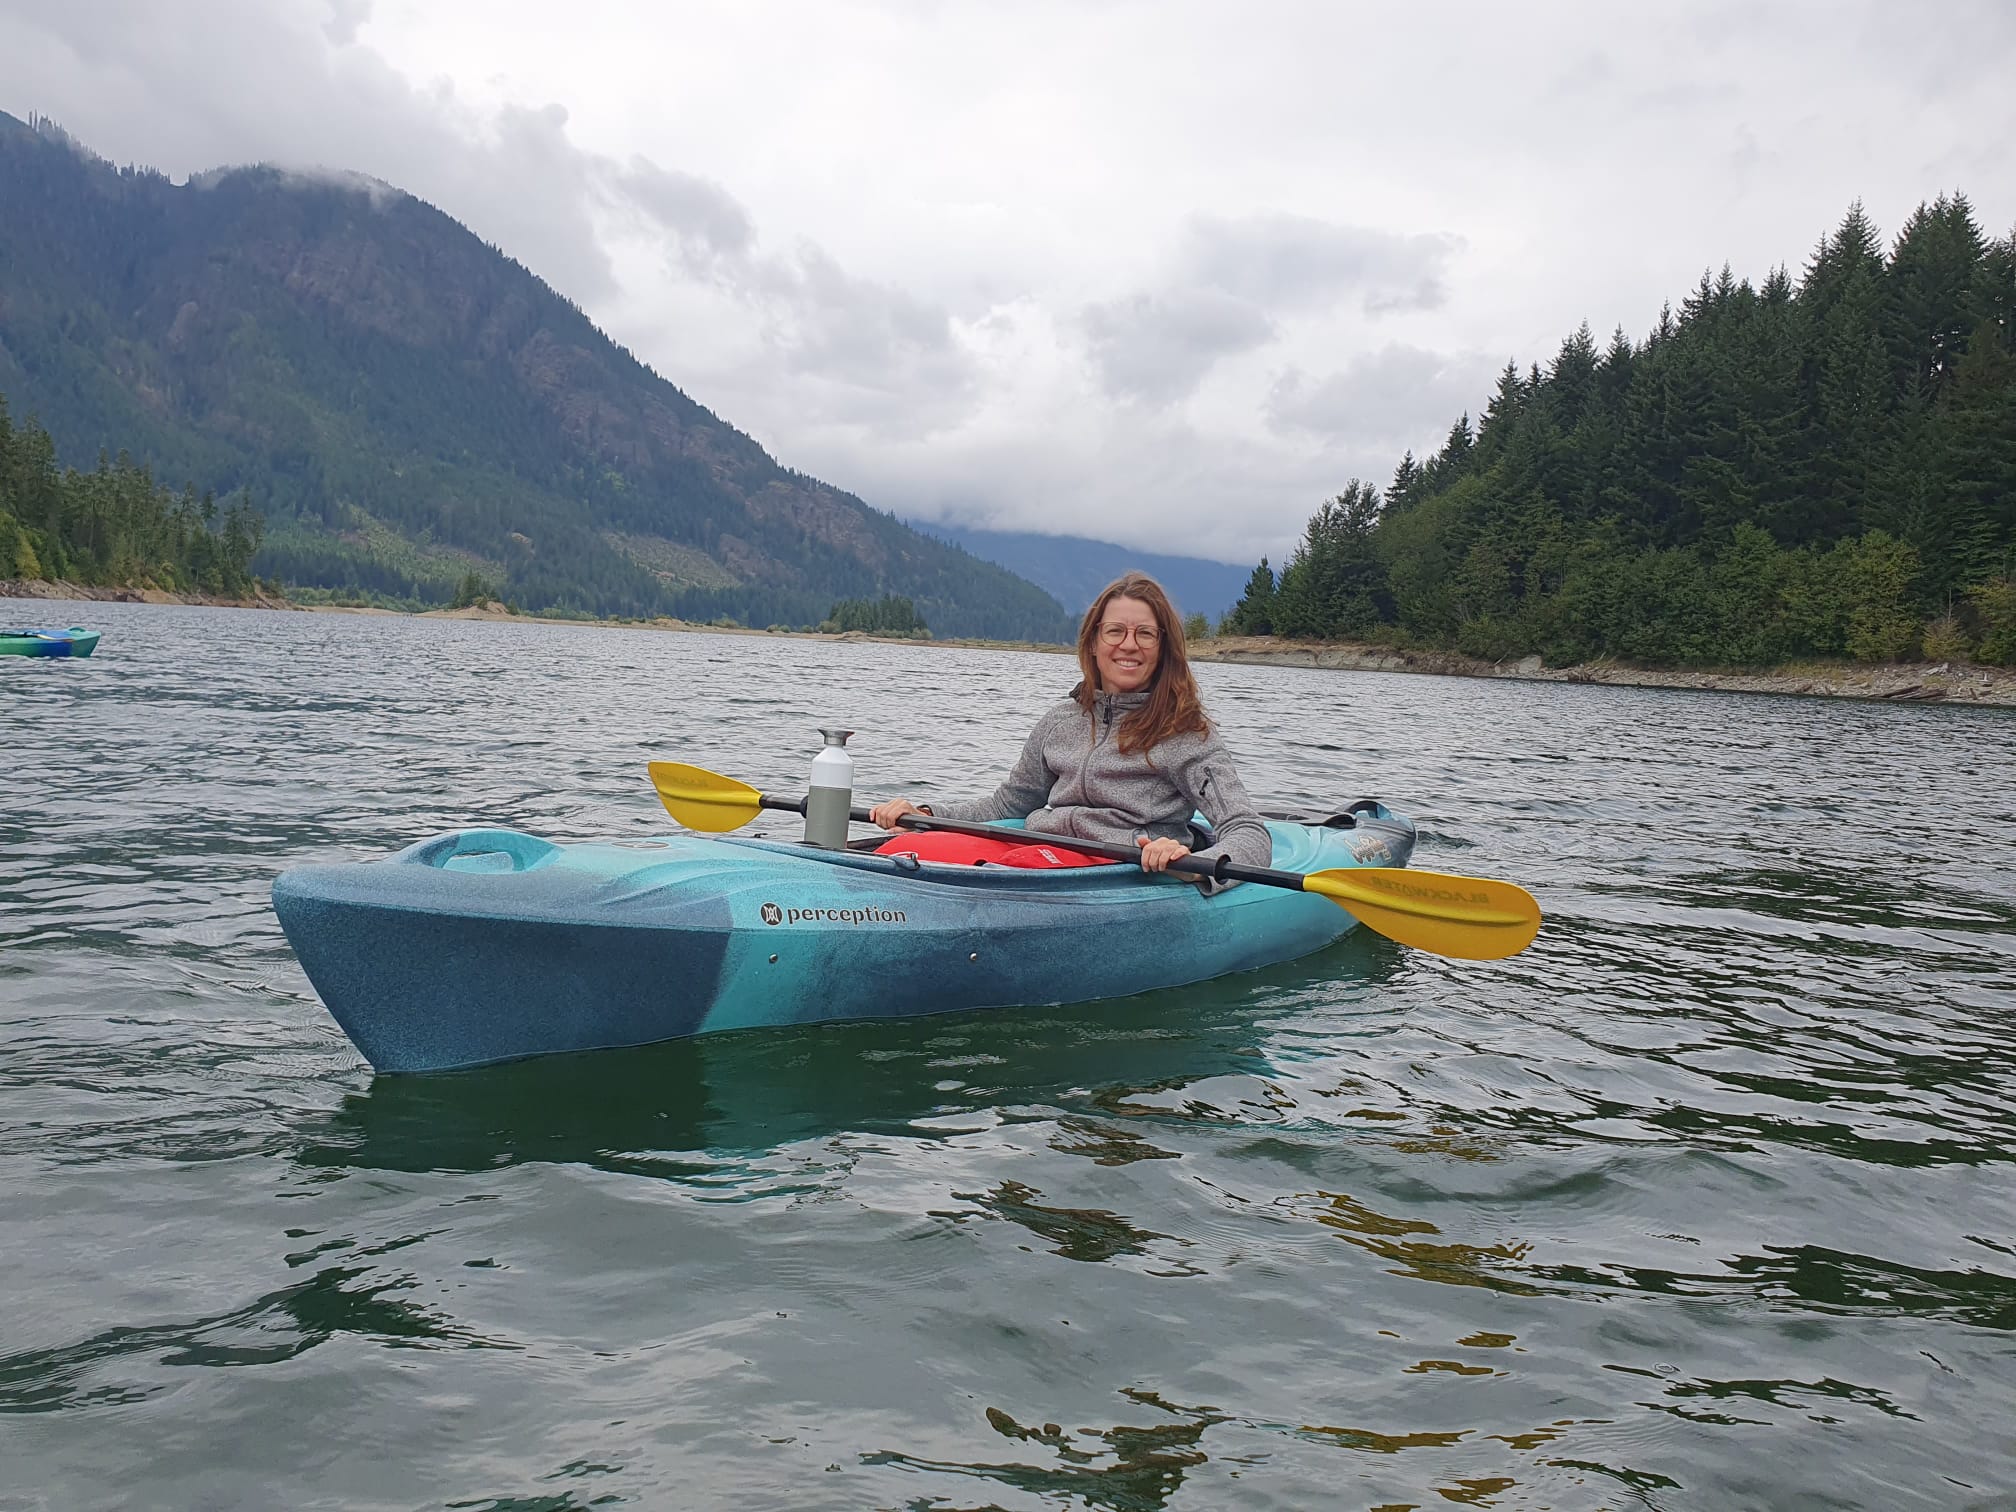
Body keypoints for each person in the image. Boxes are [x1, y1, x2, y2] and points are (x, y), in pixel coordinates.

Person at [868, 572, 1271, 888]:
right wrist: (925, 814)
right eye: (1115, 631)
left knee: (1006, 872)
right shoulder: (1060, 721)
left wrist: (1197, 868)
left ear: (1163, 648)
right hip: (1042, 844)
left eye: (1145, 633)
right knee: (903, 847)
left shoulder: (1186, 734)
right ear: (1094, 642)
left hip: (1117, 864)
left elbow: (1247, 831)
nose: (1128, 645)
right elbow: (1008, 805)